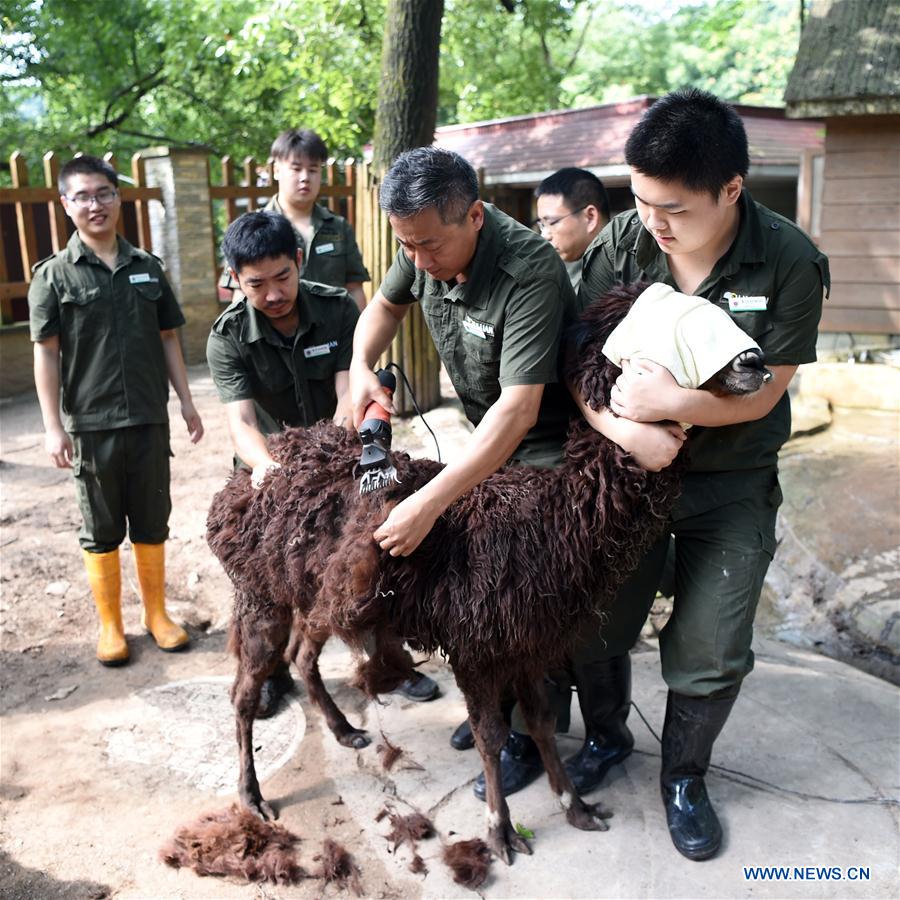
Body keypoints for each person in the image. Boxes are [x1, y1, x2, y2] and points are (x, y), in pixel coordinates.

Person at [575, 88, 829, 860]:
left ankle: (684, 777)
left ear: (731, 189)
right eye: (641, 199)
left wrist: (675, 403)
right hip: (627, 472)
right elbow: (577, 362)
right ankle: (607, 736)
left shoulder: (786, 258)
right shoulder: (623, 242)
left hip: (732, 479)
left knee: (712, 641)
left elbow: (767, 391)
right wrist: (625, 428)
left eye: (674, 208)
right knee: (597, 616)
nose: (654, 221)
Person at [348, 146, 580, 797]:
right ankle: (492, 706)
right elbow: (384, 309)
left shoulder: (529, 269)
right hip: (488, 436)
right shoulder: (421, 238)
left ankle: (532, 733)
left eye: (429, 246)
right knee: (473, 582)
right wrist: (361, 366)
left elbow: (520, 409)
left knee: (527, 588)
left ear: (474, 216)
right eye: (407, 246)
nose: (418, 260)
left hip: (549, 444)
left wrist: (429, 503)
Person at [207, 210, 437, 715]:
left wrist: (324, 457)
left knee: (369, 564)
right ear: (235, 279)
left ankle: (388, 663)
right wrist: (268, 467)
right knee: (270, 580)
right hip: (267, 473)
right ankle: (271, 670)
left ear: (299, 260)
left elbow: (346, 394)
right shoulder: (227, 336)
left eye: (282, 277)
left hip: (335, 458)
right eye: (256, 284)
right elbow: (241, 422)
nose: (273, 294)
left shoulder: (335, 309)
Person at [29, 155, 204, 667]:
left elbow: (168, 337)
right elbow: (46, 353)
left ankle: (156, 614)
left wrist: (186, 401)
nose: (95, 204)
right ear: (66, 204)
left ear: (118, 197)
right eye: (83, 196)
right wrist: (52, 427)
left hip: (148, 418)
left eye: (104, 193)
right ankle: (110, 624)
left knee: (152, 519)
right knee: (101, 527)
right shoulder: (53, 276)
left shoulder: (147, 267)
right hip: (91, 425)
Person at [218, 129, 369, 311]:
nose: (305, 178)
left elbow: (354, 289)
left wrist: (360, 328)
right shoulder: (251, 229)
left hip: (333, 327)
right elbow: (240, 296)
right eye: (296, 169)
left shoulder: (339, 227)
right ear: (276, 170)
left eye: (313, 170)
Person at [534, 166, 610, 292]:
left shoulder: (625, 269)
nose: (545, 235)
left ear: (590, 217)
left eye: (552, 222)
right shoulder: (556, 269)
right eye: (542, 225)